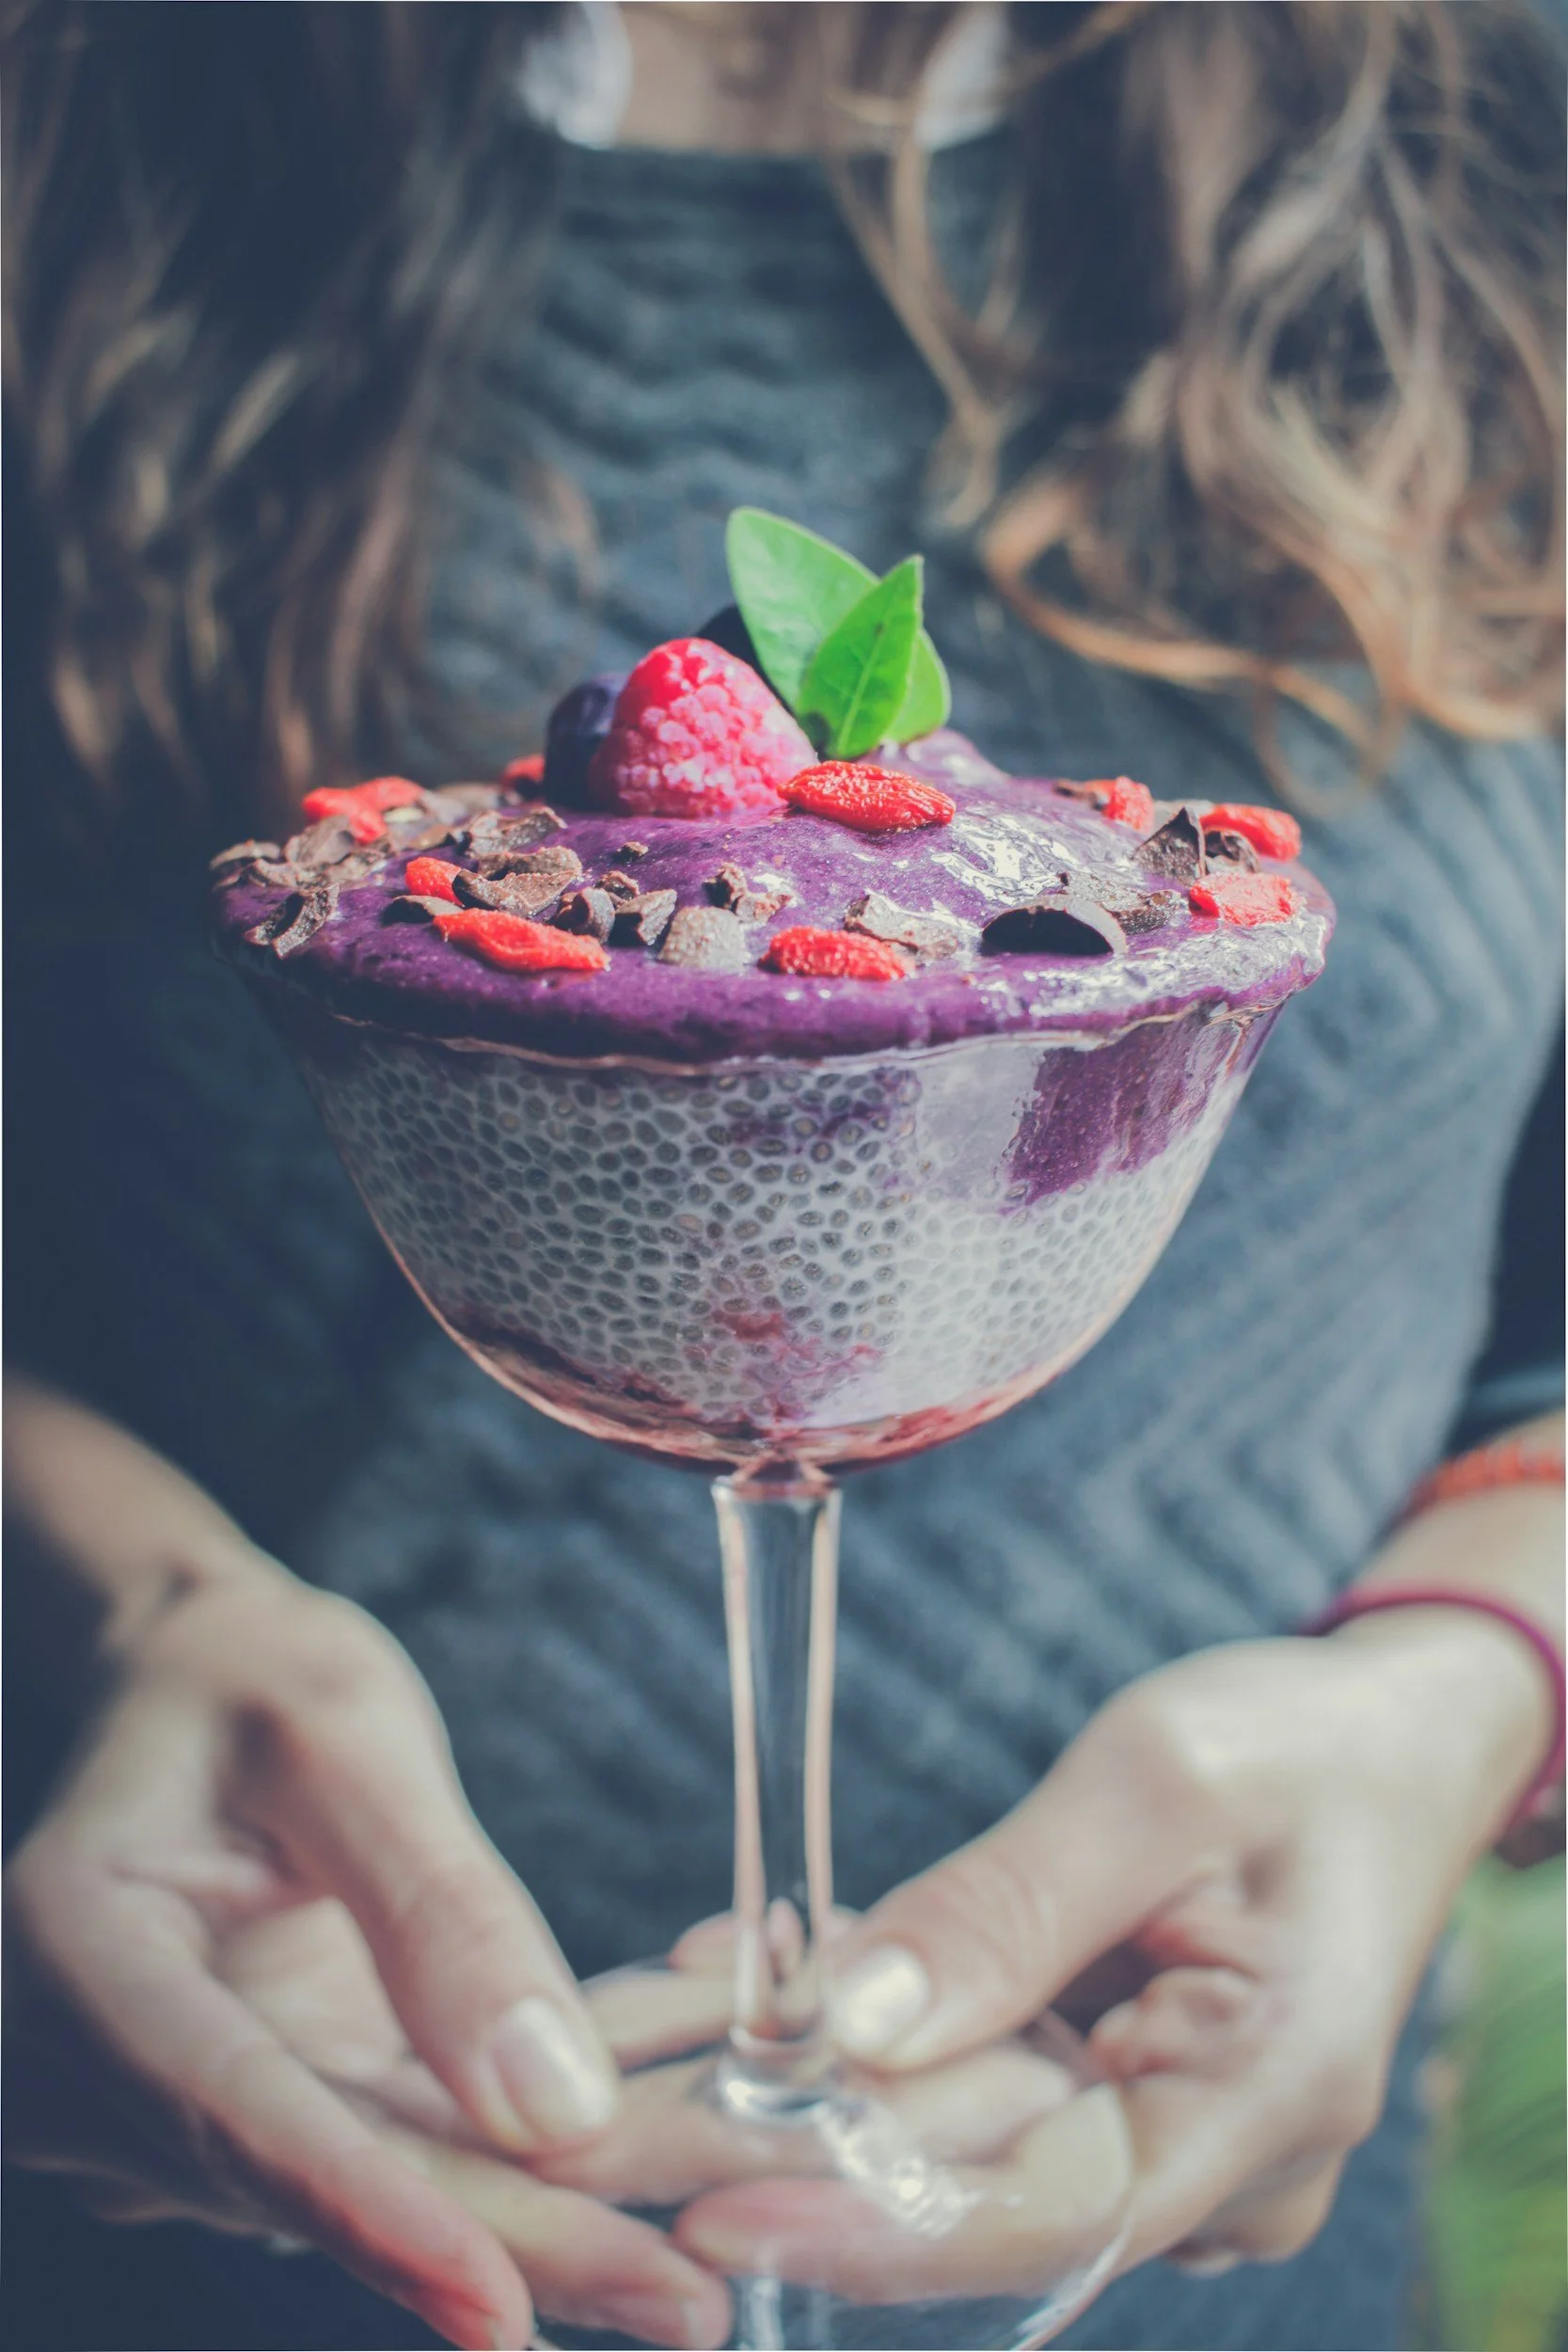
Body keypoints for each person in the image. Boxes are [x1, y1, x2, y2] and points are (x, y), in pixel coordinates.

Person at [3, 5, 1562, 2348]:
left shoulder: (1497, 124)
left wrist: (1468, 1681)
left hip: (1215, 2251)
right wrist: (109, 1599)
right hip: (270, 2197)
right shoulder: (76, 119)